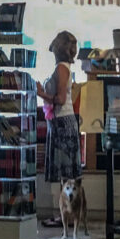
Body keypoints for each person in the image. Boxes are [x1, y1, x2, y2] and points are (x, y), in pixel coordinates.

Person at [36, 30, 82, 189]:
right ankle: (66, 213)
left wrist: (41, 94)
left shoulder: (61, 69)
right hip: (62, 122)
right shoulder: (64, 67)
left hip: (63, 123)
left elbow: (61, 99)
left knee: (67, 176)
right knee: (66, 178)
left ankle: (69, 212)